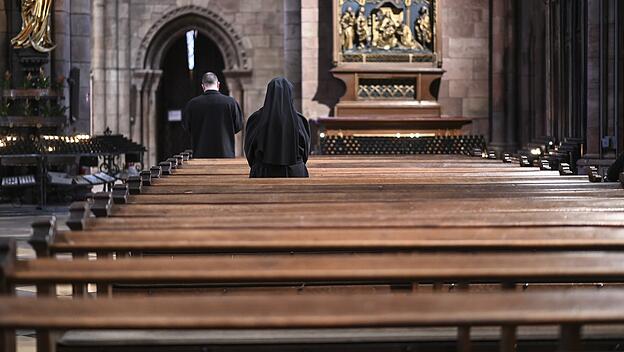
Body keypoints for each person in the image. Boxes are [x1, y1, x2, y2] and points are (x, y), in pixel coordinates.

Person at [244, 77, 310, 178]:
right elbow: (305, 150)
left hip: (263, 173)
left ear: (269, 94)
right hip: (295, 173)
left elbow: (249, 150)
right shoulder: (300, 120)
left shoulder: (255, 118)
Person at [182, 72, 243, 158]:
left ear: (203, 86)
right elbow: (238, 126)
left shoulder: (192, 104)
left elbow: (186, 127)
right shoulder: (231, 103)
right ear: (218, 84)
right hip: (225, 155)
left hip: (200, 156)